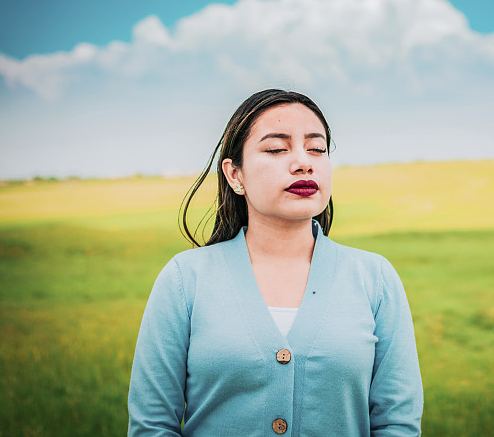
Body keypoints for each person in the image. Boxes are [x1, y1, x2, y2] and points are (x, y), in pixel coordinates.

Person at [127, 89, 424, 436]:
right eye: (276, 149)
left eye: (317, 149)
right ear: (235, 175)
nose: (303, 163)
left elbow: (396, 424)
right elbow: (152, 425)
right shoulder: (184, 279)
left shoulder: (375, 279)